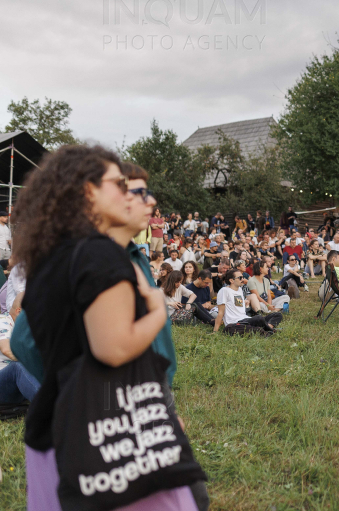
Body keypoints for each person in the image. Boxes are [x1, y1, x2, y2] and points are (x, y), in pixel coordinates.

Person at [15, 146, 205, 508]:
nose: (132, 194)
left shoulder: (53, 256)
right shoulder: (99, 253)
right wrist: (157, 312)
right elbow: (112, 348)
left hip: (57, 433)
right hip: (114, 437)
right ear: (89, 191)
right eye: (119, 184)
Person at [215, 268, 283, 335]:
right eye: (240, 278)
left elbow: (237, 305)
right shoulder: (224, 291)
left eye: (242, 277)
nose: (243, 279)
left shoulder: (239, 290)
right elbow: (221, 312)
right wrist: (215, 331)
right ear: (231, 280)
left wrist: (244, 302)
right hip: (236, 322)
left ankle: (266, 328)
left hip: (246, 319)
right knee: (258, 318)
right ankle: (269, 330)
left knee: (277, 315)